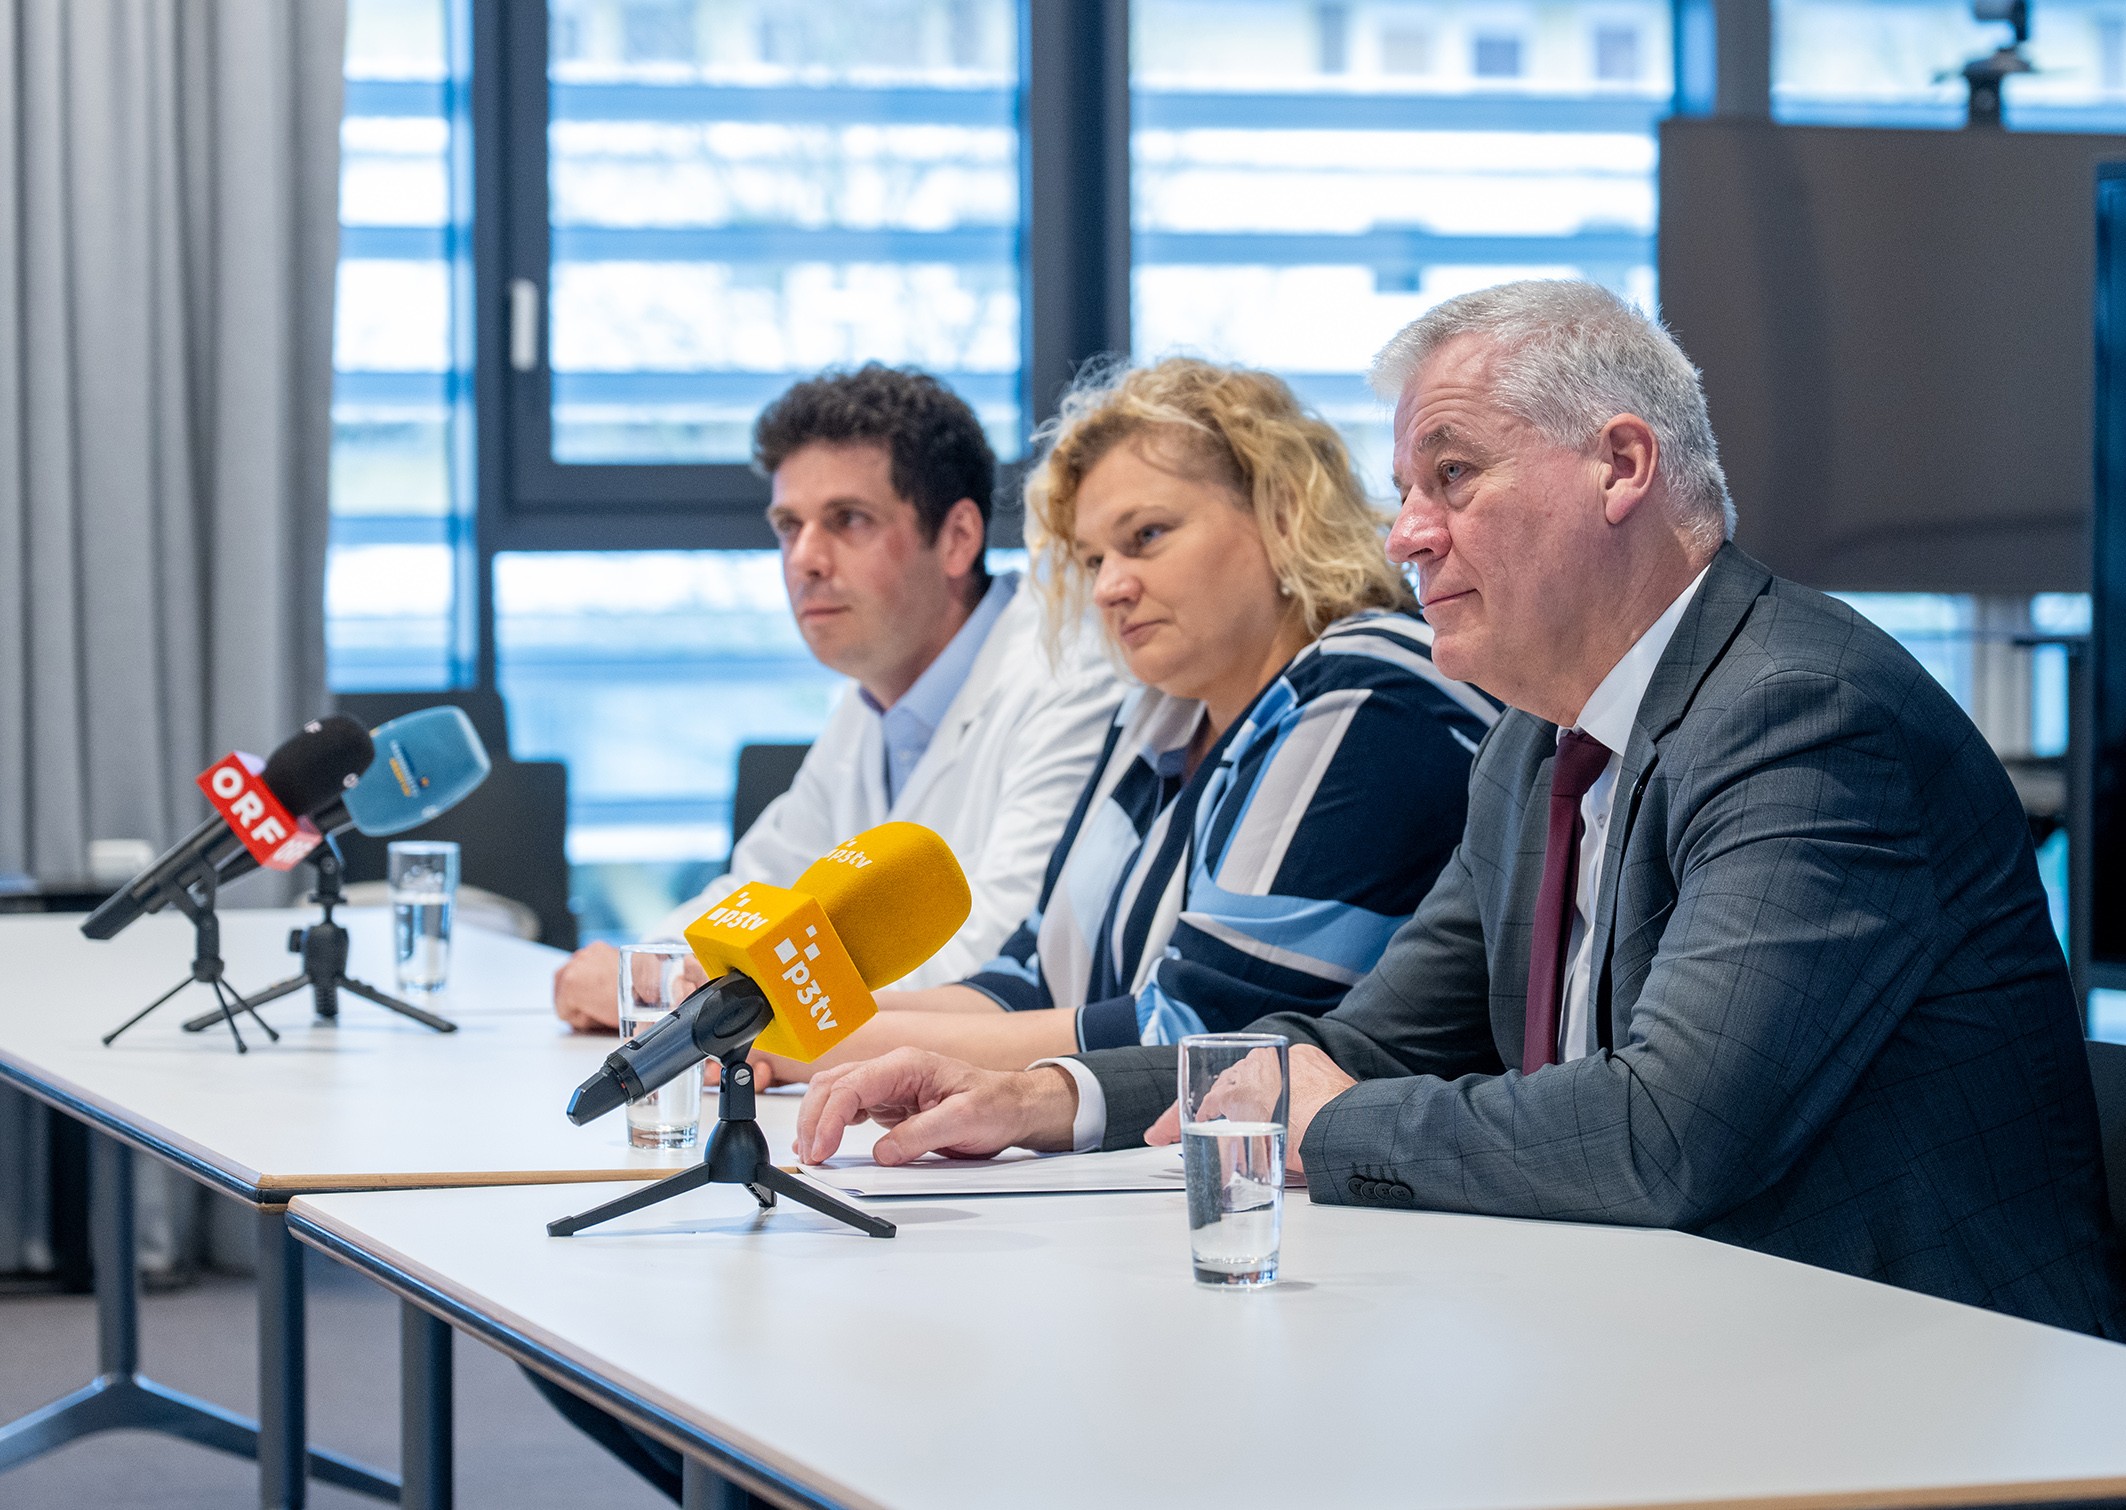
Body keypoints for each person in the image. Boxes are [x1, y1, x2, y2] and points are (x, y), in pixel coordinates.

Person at [794, 281, 2126, 1339]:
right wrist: (1042, 1096)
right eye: (1404, 491)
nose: (1407, 533)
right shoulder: (1534, 742)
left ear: (1619, 465)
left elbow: (1665, 1132)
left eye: (1452, 476)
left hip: (1924, 1389)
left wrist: (1323, 1122)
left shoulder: (1803, 715)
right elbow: (1367, 1041)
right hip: (1673, 1344)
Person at [755, 357, 1498, 1082]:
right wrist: (778, 1021)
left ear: (1281, 512)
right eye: (1091, 560)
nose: (1110, 587)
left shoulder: (1367, 690)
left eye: (1145, 536)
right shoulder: (1163, 711)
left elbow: (1198, 1037)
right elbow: (1030, 978)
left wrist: (816, 1043)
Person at [551, 364, 1121, 1031]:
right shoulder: (871, 701)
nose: (805, 559)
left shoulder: (1069, 675)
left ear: (958, 538)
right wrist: (652, 969)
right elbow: (757, 895)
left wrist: (706, 1003)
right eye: (788, 526)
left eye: (848, 520)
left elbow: (997, 963)